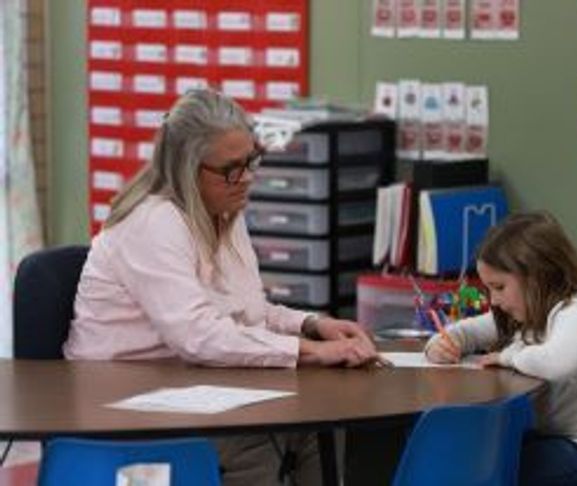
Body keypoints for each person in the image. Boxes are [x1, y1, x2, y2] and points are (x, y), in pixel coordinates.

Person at [64, 88, 379, 485]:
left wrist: (311, 326)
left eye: (251, 161)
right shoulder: (152, 222)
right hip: (120, 399)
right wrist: (310, 352)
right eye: (232, 168)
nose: (246, 178)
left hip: (187, 384)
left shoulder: (223, 210)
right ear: (187, 168)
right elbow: (198, 334)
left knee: (321, 426)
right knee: (254, 440)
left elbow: (248, 311)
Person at [424, 211, 577, 486]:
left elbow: (559, 362)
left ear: (536, 276)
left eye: (499, 287)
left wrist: (508, 356)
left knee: (489, 471)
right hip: (568, 441)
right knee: (478, 456)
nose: (493, 300)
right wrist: (439, 346)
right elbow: (466, 332)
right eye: (488, 289)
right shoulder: (530, 310)